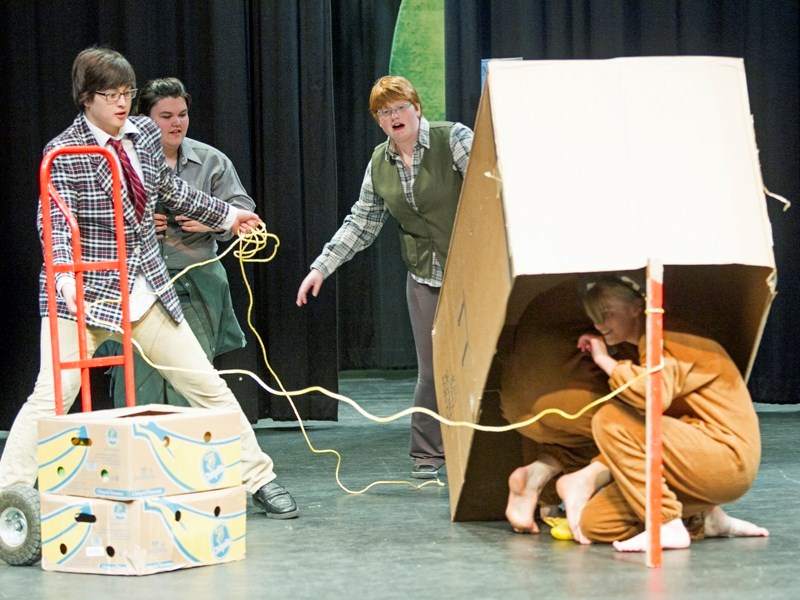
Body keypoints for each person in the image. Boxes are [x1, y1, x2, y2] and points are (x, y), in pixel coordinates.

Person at [0, 46, 297, 521]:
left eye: (127, 93)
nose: (122, 103)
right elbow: (52, 223)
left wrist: (228, 214)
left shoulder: (140, 135)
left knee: (207, 385)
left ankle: (259, 478)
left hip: (142, 288)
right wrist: (66, 282)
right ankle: (8, 495)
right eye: (111, 94)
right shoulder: (64, 151)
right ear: (86, 97)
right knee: (52, 394)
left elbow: (172, 191)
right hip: (82, 293)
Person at [296, 75, 473, 479]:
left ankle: (485, 448)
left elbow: (492, 186)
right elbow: (361, 223)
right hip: (425, 275)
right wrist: (321, 267)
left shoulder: (454, 139)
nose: (393, 116)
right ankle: (428, 455)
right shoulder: (381, 161)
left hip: (472, 270)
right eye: (384, 112)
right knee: (431, 370)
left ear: (416, 107)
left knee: (482, 360)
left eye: (399, 107)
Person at [555, 276, 768, 550]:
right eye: (594, 317)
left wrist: (605, 360)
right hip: (695, 460)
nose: (599, 324)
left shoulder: (669, 336)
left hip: (727, 457)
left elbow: (651, 394)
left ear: (636, 307)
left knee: (609, 419)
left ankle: (666, 525)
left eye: (606, 314)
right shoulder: (642, 346)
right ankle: (704, 519)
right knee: (595, 524)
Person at [96, 77, 252, 408]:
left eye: (182, 114)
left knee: (190, 380)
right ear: (145, 121)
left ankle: (190, 456)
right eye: (166, 116)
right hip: (139, 285)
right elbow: (94, 220)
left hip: (195, 282)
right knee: (139, 384)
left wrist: (213, 222)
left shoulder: (212, 161)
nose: (176, 123)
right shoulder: (118, 161)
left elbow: (245, 215)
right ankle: (139, 454)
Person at [500, 279, 639, 534]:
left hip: (515, 407)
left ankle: (536, 478)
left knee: (578, 435)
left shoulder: (557, 291)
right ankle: (581, 482)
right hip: (569, 400)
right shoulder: (626, 293)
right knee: (652, 427)